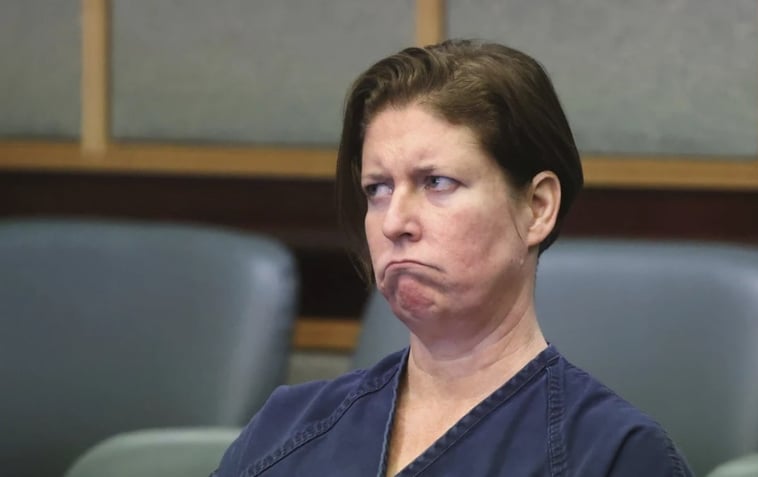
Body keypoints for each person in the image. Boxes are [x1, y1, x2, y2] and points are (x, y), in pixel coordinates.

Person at [213, 39, 693, 477]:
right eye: (377, 189)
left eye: (436, 182)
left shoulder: (613, 455)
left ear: (537, 208)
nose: (393, 222)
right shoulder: (286, 428)